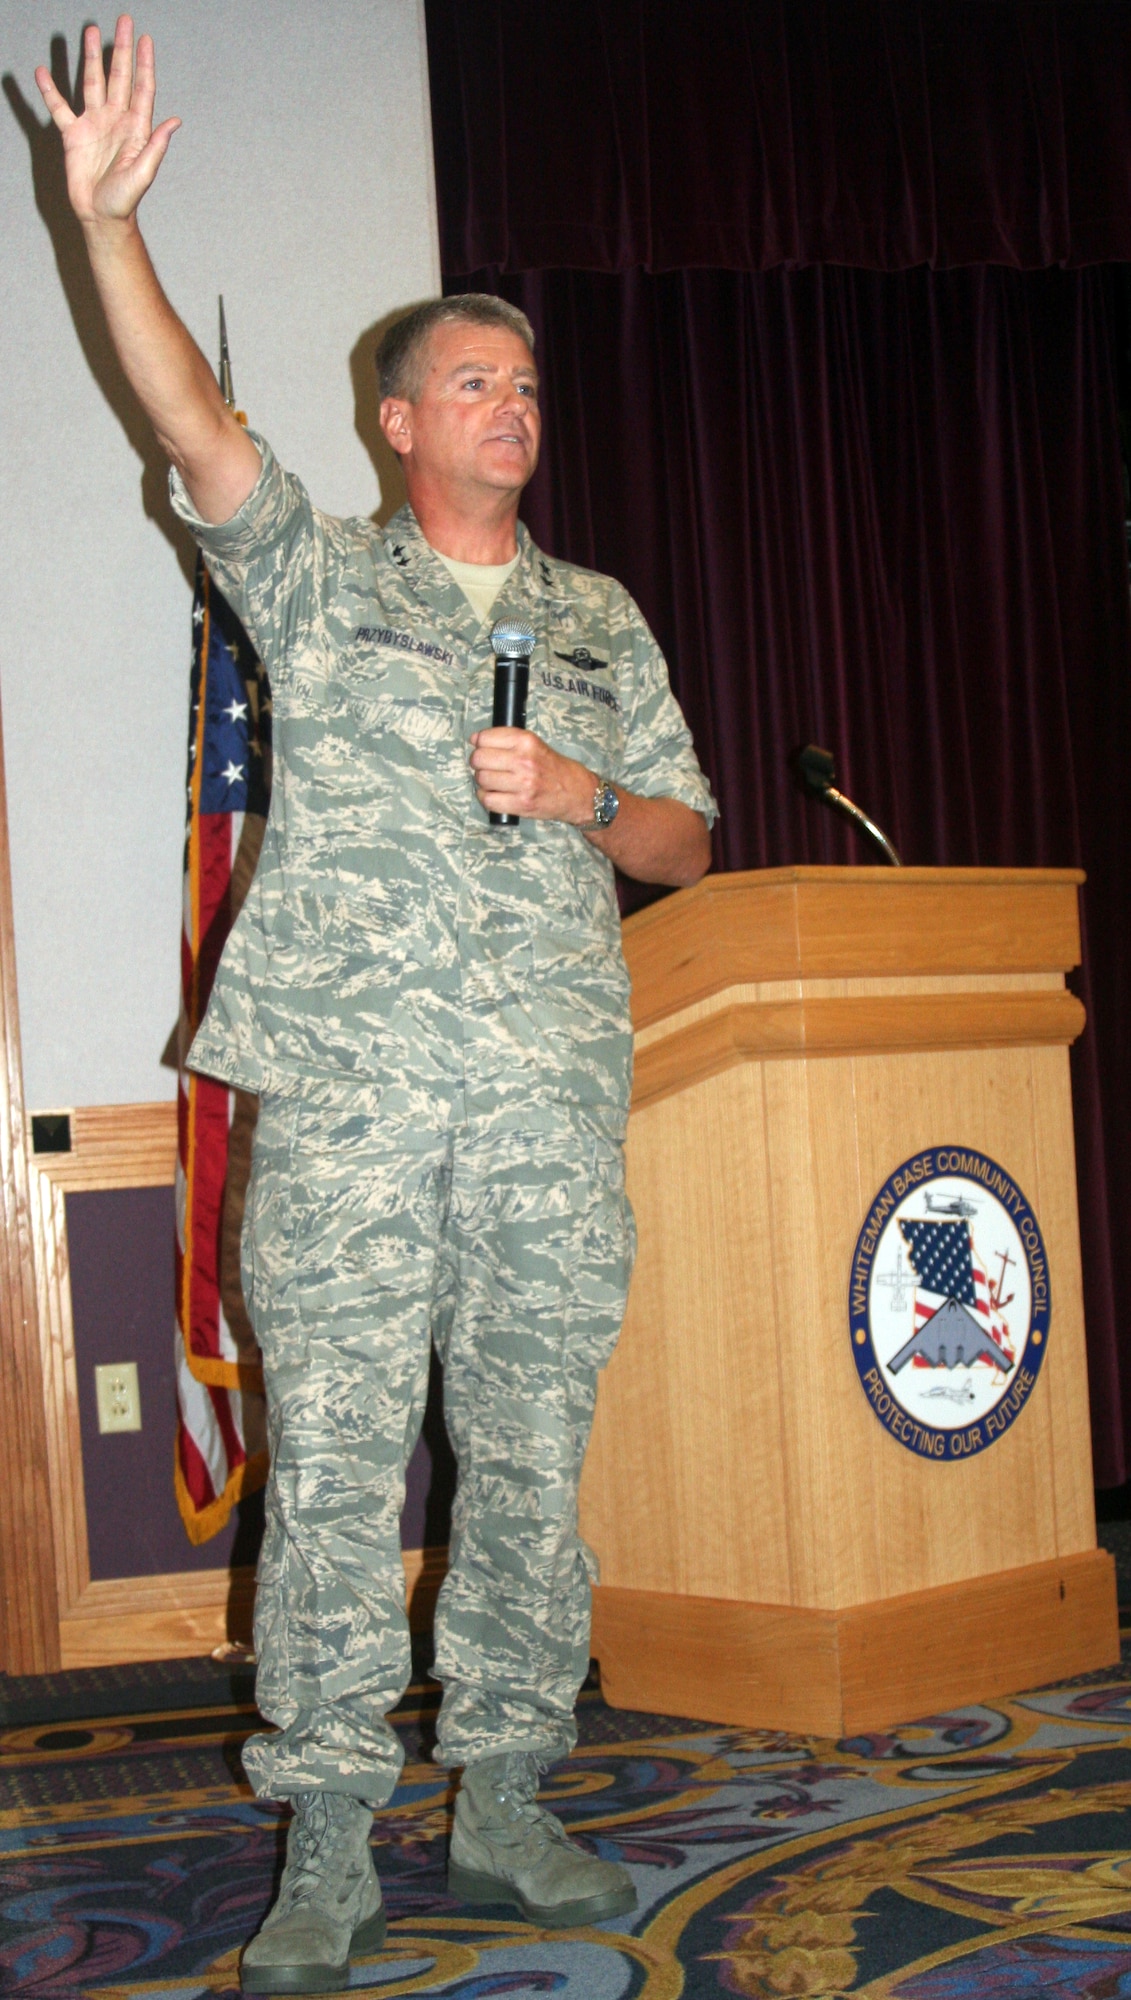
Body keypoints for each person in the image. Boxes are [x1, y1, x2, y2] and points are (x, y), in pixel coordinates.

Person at [37, 17, 718, 1994]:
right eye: (471, 383)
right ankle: (327, 1837)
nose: (511, 405)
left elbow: (679, 839)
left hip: (540, 1113)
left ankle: (503, 1796)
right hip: (344, 1105)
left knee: (524, 1460)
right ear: (399, 423)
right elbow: (192, 433)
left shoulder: (595, 621)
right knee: (334, 1467)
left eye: (524, 382)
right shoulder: (324, 585)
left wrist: (584, 794)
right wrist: (108, 234)